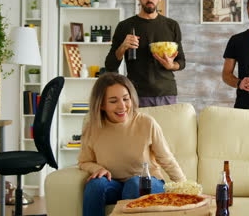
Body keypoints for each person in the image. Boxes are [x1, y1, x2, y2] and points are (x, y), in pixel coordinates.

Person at [78, 72, 186, 216]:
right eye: (113, 101)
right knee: (95, 185)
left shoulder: (147, 123)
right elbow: (84, 161)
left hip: (148, 183)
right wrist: (96, 168)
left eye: (125, 99)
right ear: (102, 105)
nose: (122, 106)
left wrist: (185, 188)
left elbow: (166, 159)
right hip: (114, 185)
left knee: (135, 183)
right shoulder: (92, 128)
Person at [105, 0, 185, 107]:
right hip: (136, 93)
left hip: (166, 93)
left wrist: (171, 65)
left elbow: (181, 62)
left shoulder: (172, 25)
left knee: (166, 128)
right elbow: (110, 65)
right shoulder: (124, 26)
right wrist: (122, 47)